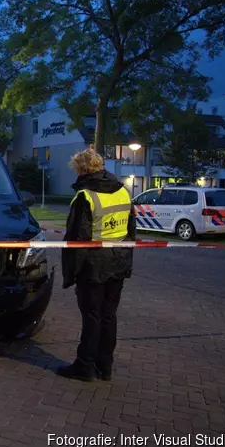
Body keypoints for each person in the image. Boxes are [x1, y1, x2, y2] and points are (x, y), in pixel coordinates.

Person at [57, 148, 136, 383]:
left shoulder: (85, 196)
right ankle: (106, 366)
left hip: (93, 264)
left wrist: (71, 273)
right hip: (118, 262)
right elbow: (131, 231)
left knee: (92, 316)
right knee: (109, 316)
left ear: (81, 169)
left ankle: (85, 367)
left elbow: (76, 239)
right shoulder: (123, 191)